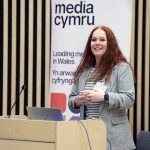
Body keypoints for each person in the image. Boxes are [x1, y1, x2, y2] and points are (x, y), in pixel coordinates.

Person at [68, 25, 135, 150]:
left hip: (114, 140)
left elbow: (129, 98)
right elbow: (71, 100)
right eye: (94, 40)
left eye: (102, 40)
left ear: (110, 43)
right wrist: (77, 100)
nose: (97, 43)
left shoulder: (121, 68)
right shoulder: (83, 71)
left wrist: (104, 97)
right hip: (87, 136)